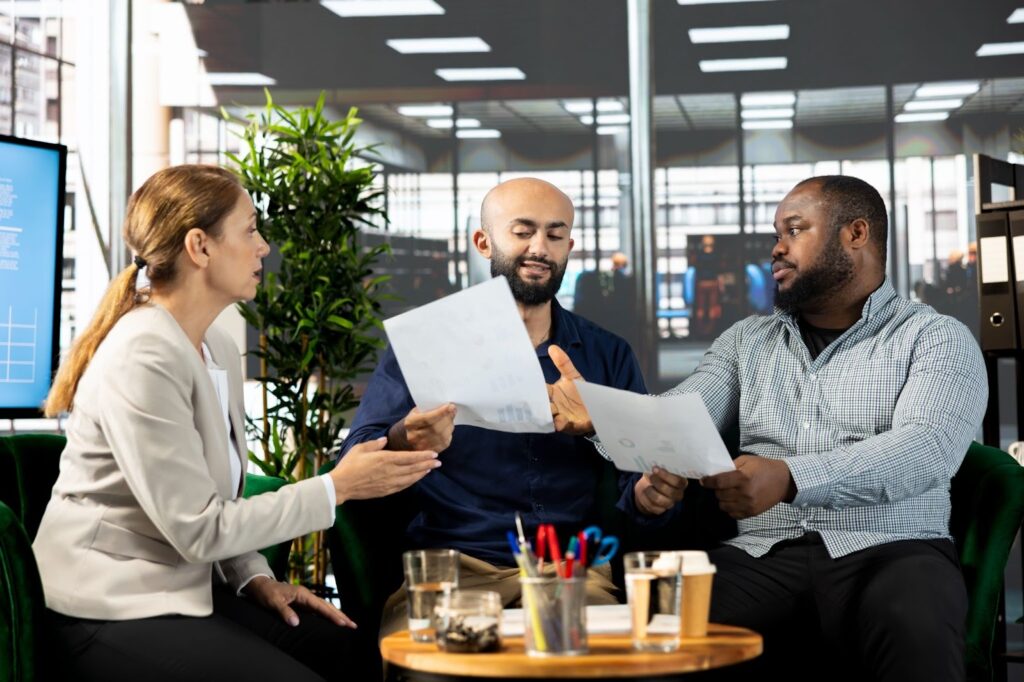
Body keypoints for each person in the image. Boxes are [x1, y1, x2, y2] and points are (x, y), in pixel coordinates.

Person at [548, 175, 987, 681]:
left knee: (915, 624)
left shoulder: (935, 338)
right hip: (761, 554)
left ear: (856, 234)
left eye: (794, 230)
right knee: (661, 637)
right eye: (777, 234)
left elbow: (926, 449)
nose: (777, 249)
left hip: (893, 549)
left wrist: (789, 478)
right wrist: (599, 416)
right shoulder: (747, 342)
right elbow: (679, 417)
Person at [33, 165, 441, 682]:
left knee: (352, 651)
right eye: (249, 230)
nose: (264, 246)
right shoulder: (142, 356)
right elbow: (200, 529)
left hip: (182, 589)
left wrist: (252, 578)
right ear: (199, 246)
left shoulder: (215, 344)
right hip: (108, 604)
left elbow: (216, 498)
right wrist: (335, 488)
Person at [340, 177, 682, 636]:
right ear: (484, 241)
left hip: (572, 572)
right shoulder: (428, 342)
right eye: (523, 232)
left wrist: (646, 491)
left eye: (555, 235)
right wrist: (406, 437)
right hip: (454, 570)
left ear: (568, 247)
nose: (539, 247)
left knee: (602, 664)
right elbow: (356, 458)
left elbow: (638, 478)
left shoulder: (607, 354)